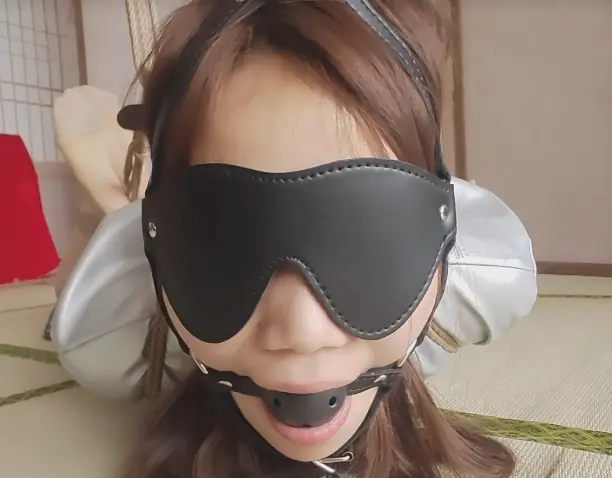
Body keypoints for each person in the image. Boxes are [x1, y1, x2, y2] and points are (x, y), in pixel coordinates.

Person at [53, 1, 538, 477]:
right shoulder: (109, 334)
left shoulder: (480, 282)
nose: (304, 335)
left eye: (369, 244)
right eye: (226, 249)